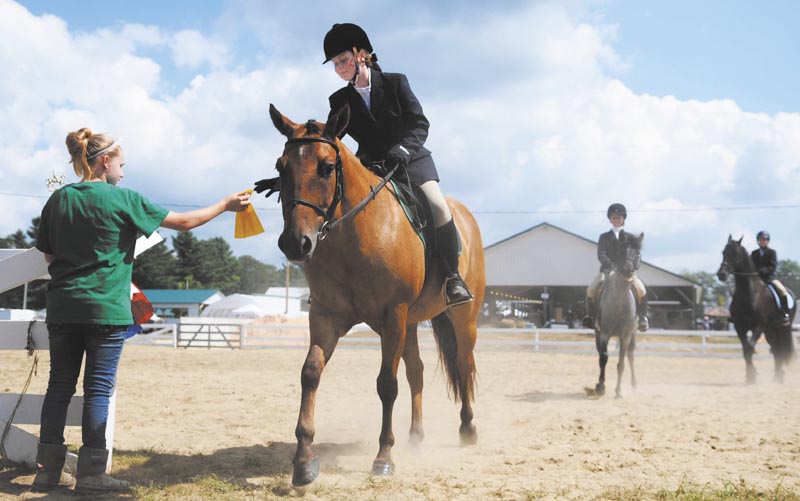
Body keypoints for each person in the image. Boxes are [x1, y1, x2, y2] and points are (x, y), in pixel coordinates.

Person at [32, 128, 251, 493]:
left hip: (62, 308)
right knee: (98, 391)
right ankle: (91, 475)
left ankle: (46, 472)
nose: (123, 172)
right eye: (122, 165)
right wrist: (225, 206)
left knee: (59, 388)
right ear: (105, 161)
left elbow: (49, 254)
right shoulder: (124, 199)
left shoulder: (58, 200)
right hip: (105, 311)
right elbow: (184, 223)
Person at [322, 22, 472, 307]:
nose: (339, 68)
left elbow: (419, 123)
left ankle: (453, 278)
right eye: (335, 64)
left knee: (438, 206)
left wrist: (402, 149)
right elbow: (330, 139)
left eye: (342, 60)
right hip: (371, 169)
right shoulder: (339, 100)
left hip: (411, 161)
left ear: (361, 54)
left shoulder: (395, 82)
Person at [582, 203, 648, 331]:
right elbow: (601, 254)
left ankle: (642, 318)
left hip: (627, 272)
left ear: (623, 218)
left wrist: (634, 267)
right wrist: (611, 266)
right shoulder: (604, 237)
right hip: (607, 271)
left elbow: (636, 255)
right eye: (613, 217)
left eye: (619, 217)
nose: (616, 219)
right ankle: (590, 317)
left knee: (641, 289)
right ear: (610, 219)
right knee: (591, 289)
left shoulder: (630, 238)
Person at [751, 231, 791, 325]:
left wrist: (762, 271)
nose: (763, 241)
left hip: (770, 278)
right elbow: (751, 266)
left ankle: (785, 313)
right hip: (757, 279)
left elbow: (772, 267)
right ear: (758, 241)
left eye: (764, 240)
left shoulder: (772, 252)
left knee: (782, 290)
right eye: (761, 240)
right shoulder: (754, 253)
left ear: (767, 241)